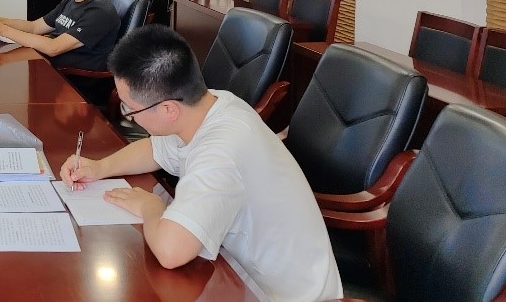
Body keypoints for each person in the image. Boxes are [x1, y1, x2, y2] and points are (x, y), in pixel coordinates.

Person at [61, 25, 342, 302]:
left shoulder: (220, 153)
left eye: (130, 109)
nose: (129, 116)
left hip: (280, 294)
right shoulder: (212, 105)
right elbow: (155, 149)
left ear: (168, 109)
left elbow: (171, 251)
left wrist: (151, 207)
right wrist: (99, 168)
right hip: (239, 274)